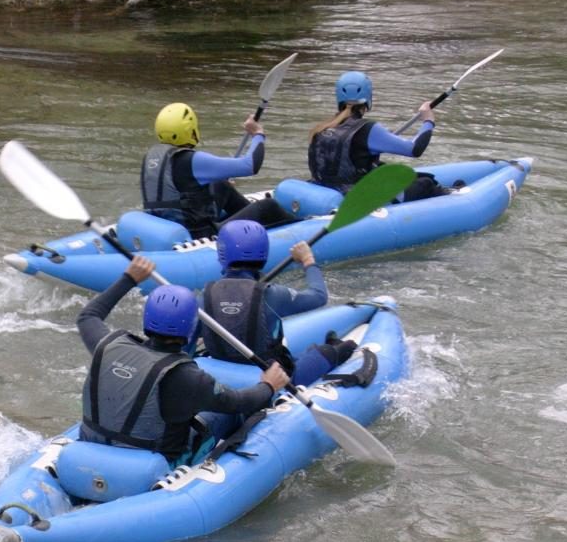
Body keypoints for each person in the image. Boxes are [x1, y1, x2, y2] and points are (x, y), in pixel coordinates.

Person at [76, 255, 290, 463]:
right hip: (154, 461)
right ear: (190, 329)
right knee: (222, 417)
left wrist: (129, 278)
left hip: (92, 444)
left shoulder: (108, 345)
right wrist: (269, 385)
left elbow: (88, 316)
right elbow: (238, 402)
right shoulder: (188, 377)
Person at [200, 220, 357, 386]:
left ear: (222, 252)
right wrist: (308, 259)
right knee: (332, 350)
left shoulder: (203, 297)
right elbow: (319, 296)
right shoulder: (272, 294)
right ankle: (331, 346)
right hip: (273, 381)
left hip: (221, 379)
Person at [141, 102, 299, 239]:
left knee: (220, 185)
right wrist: (258, 134)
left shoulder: (151, 158)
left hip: (169, 226)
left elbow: (182, 187)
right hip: (199, 235)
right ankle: (301, 227)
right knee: (267, 207)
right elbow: (250, 165)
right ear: (190, 129)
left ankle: (252, 220)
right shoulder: (193, 160)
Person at [308, 71, 450, 201]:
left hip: (328, 188)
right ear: (368, 98)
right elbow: (414, 149)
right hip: (358, 195)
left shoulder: (322, 128)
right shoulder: (368, 129)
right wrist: (428, 120)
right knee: (426, 182)